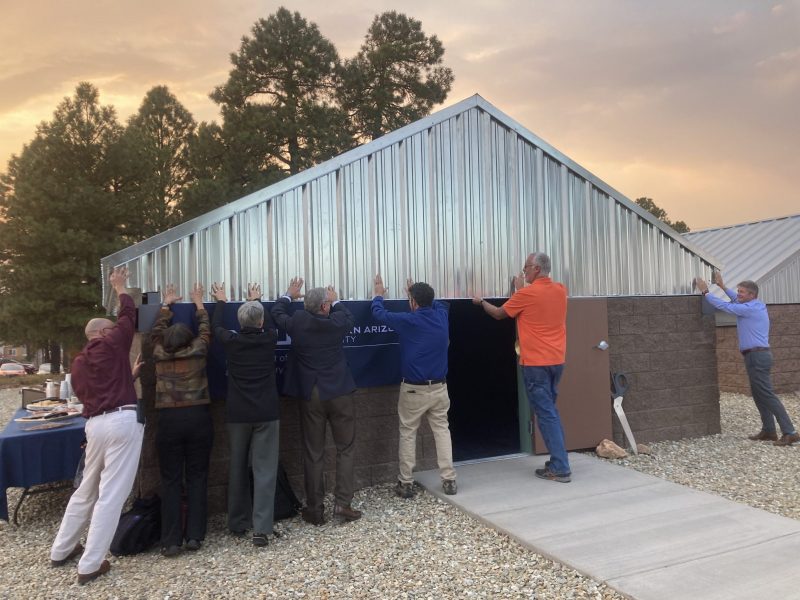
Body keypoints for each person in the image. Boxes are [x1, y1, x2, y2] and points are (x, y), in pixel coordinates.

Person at [50, 267, 145, 584]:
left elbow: (96, 393)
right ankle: (90, 564)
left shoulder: (77, 363)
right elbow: (128, 315)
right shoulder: (113, 342)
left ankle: (61, 549)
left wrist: (127, 376)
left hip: (95, 427)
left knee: (86, 490)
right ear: (104, 333)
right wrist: (120, 287)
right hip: (122, 423)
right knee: (111, 494)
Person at [472, 252, 572, 483]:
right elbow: (520, 307)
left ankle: (560, 467)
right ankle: (558, 461)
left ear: (536, 268)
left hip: (536, 364)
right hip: (557, 361)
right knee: (550, 412)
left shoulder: (527, 293)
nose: (523, 270)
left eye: (526, 267)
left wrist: (480, 302)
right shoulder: (560, 290)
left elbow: (500, 313)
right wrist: (517, 291)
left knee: (546, 415)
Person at [271, 278, 361, 524]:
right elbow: (350, 318)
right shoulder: (337, 322)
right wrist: (337, 300)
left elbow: (276, 312)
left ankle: (315, 509)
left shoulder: (298, 322)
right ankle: (343, 505)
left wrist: (289, 294)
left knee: (314, 452)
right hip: (340, 391)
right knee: (346, 448)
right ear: (324, 306)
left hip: (311, 394)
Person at [371, 274, 457, 498]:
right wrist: (415, 292)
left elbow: (378, 314)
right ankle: (449, 479)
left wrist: (378, 295)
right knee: (442, 431)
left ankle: (406, 483)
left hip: (413, 389)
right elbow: (438, 304)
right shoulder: (441, 317)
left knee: (408, 433)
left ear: (413, 303)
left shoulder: (409, 321)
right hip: (440, 388)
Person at [211, 282, 281, 547]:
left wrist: (220, 301)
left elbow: (217, 328)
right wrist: (258, 299)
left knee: (237, 466)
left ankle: (237, 521)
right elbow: (273, 322)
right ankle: (261, 528)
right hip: (267, 412)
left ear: (239, 322)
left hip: (237, 413)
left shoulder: (232, 341)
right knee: (265, 469)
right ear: (261, 320)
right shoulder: (269, 339)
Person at [696, 272, 799, 446]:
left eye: (742, 292)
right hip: (755, 356)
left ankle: (790, 432)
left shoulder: (748, 309)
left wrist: (706, 292)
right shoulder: (753, 304)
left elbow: (726, 306)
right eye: (738, 291)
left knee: (766, 394)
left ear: (751, 295)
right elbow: (735, 300)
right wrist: (722, 286)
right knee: (759, 394)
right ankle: (769, 430)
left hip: (758, 357)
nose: (738, 294)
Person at [151, 283, 213, 557]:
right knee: (198, 476)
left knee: (171, 479)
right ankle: (195, 537)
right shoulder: (197, 351)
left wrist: (166, 305)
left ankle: (171, 540)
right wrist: (199, 303)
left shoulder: (158, 354)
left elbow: (154, 332)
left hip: (168, 420)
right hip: (198, 417)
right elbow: (205, 330)